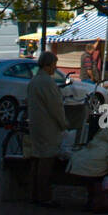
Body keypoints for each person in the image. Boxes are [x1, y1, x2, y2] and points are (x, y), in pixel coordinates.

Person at [27, 51, 68, 206]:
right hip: (48, 126)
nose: (54, 68)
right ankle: (44, 195)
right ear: (48, 65)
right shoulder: (47, 83)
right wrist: (63, 123)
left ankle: (33, 193)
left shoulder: (34, 81)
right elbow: (55, 107)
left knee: (36, 159)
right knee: (46, 161)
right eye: (54, 65)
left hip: (36, 124)